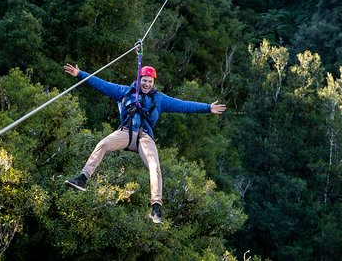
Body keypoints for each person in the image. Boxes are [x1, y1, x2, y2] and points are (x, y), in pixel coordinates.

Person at [63, 63, 226, 224]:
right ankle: (82, 179)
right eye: (144, 80)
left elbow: (184, 105)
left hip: (145, 137)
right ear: (139, 79)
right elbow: (102, 85)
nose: (147, 84)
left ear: (153, 83)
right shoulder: (124, 91)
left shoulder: (160, 99)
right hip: (126, 132)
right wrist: (80, 74)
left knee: (154, 166)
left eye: (150, 81)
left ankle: (156, 207)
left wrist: (207, 108)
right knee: (103, 144)